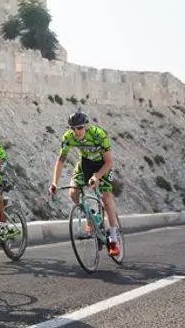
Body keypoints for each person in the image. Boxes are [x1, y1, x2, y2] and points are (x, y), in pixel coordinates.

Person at [49, 110, 120, 257]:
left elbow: (108, 162)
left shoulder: (99, 135)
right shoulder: (68, 137)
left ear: (86, 126)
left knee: (106, 199)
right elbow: (60, 160)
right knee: (73, 192)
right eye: (72, 128)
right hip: (85, 163)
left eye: (79, 127)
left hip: (102, 166)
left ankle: (113, 239)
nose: (76, 131)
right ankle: (91, 219)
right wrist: (54, 183)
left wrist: (98, 176)